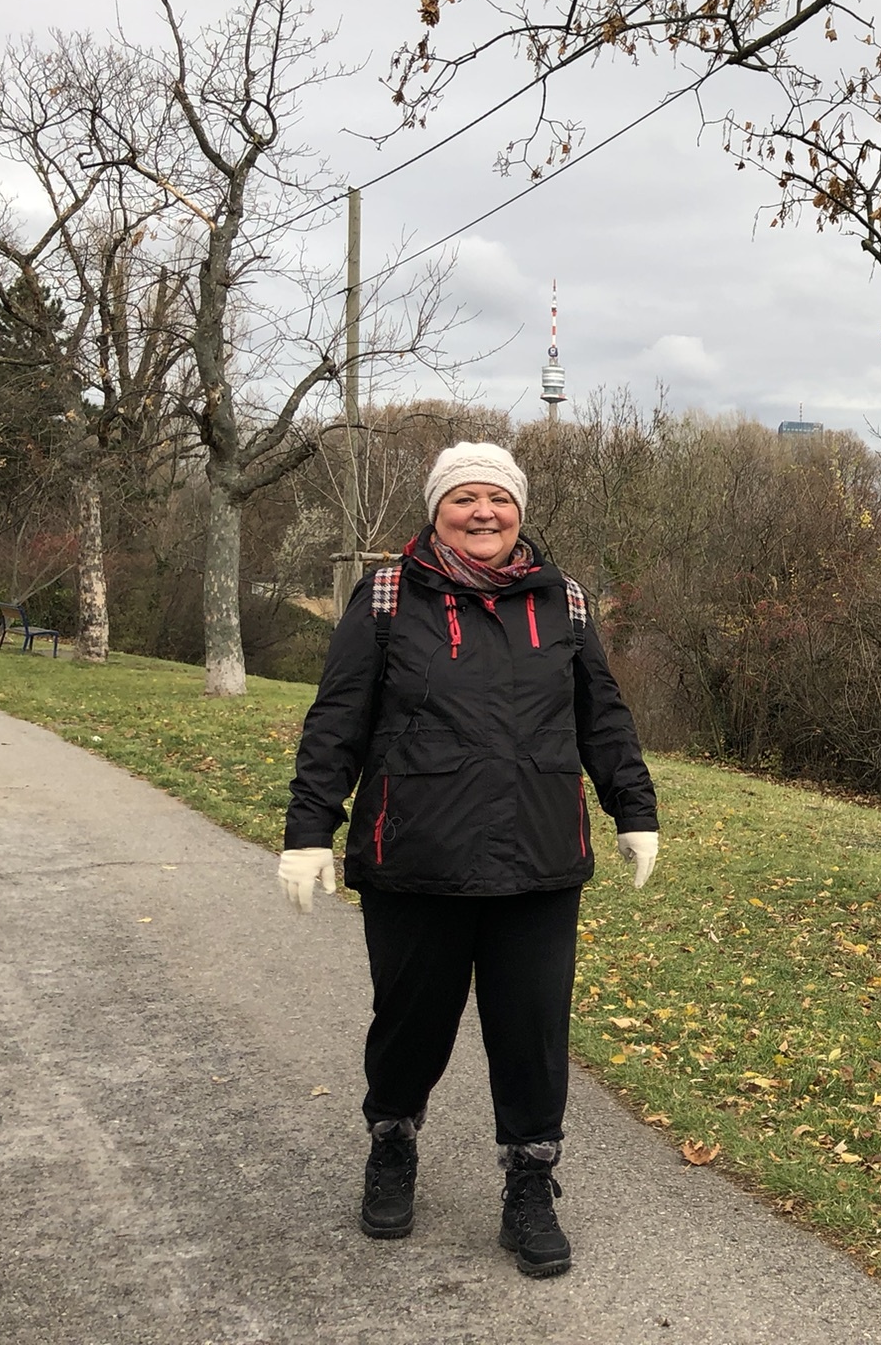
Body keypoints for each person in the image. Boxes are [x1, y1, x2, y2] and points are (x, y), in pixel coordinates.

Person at [275, 441, 660, 1279]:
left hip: (539, 859)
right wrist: (309, 830)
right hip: (414, 856)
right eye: (464, 499)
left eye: (499, 498)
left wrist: (635, 808)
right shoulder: (386, 595)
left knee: (532, 1033)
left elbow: (604, 718)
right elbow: (337, 720)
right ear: (436, 508)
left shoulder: (566, 602)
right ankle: (392, 1142)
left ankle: (529, 1182)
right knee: (412, 1022)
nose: (483, 512)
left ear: (520, 511)